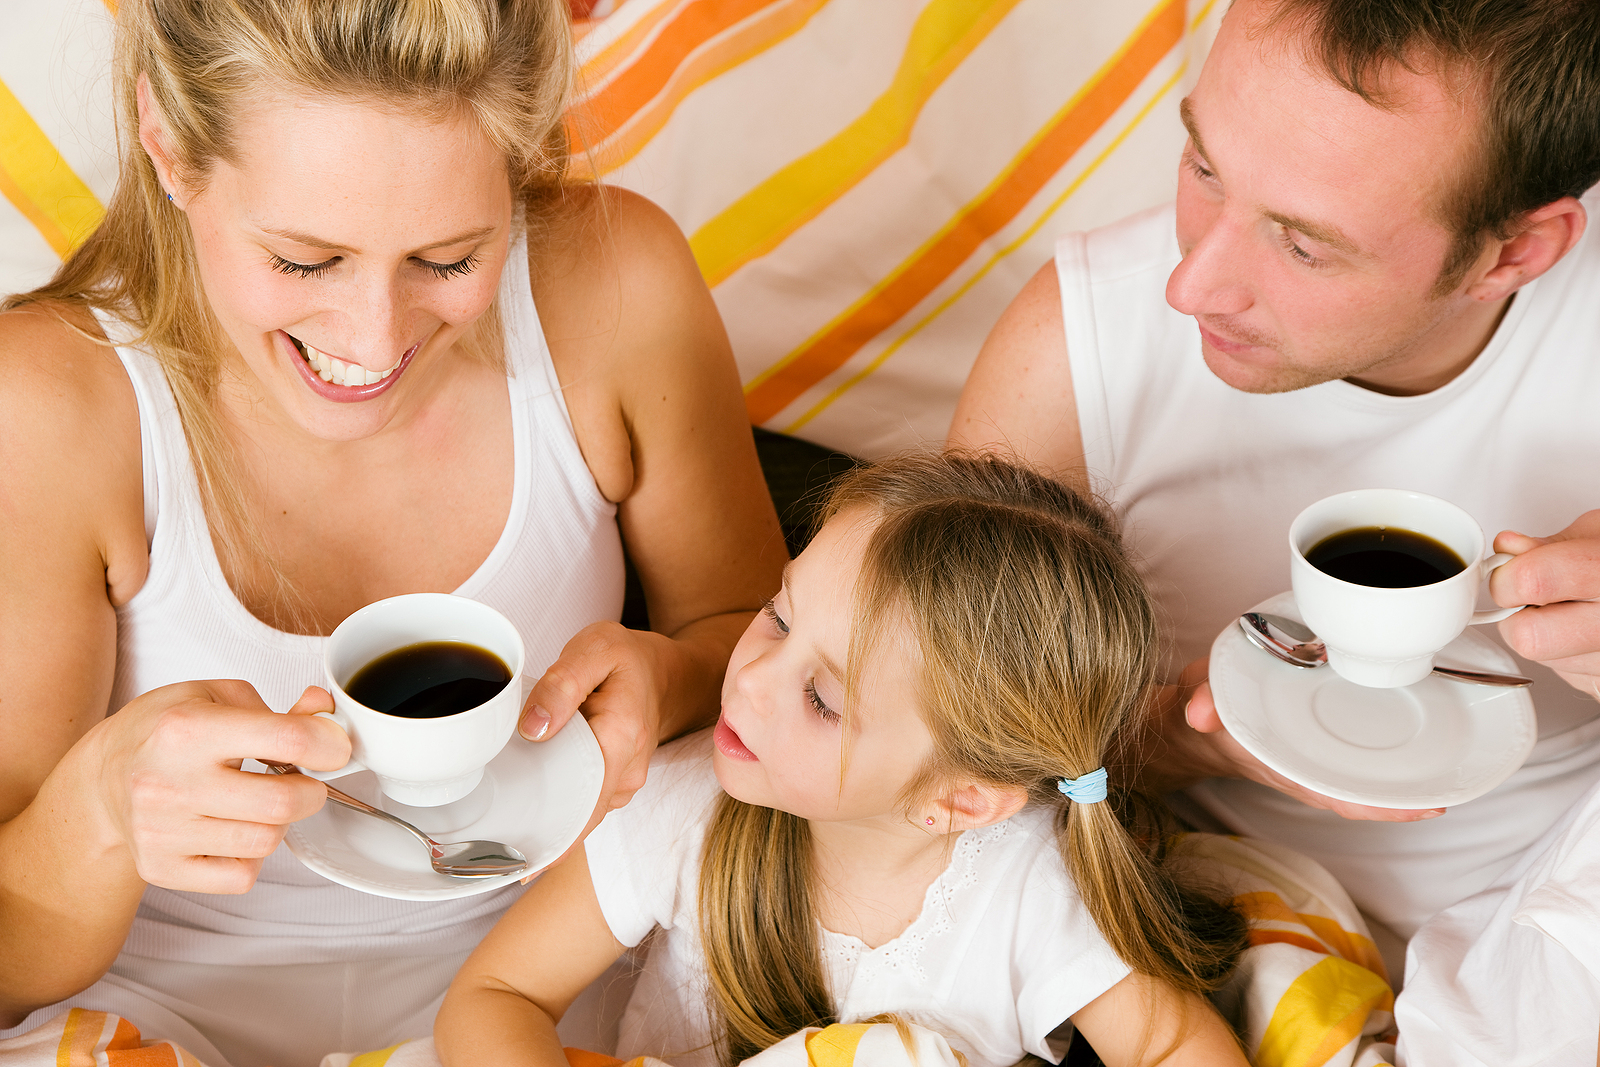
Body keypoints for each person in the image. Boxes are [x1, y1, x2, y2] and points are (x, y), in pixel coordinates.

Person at [0, 1, 786, 1064]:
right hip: (155, 1021)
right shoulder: (49, 405)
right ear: (169, 145)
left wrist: (675, 676)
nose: (373, 338)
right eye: (304, 260)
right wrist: (100, 807)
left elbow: (749, 634)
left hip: (545, 997)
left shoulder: (616, 281)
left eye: (450, 258)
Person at [949, 0, 1600, 950]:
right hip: (1197, 920)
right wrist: (1183, 736)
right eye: (1204, 168)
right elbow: (937, 737)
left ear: (1514, 252)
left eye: (1303, 244)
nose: (1190, 286)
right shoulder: (1077, 350)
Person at [433, 452, 1253, 1067]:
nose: (749, 678)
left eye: (823, 698)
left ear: (962, 798)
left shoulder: (1030, 891)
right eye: (778, 616)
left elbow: (1174, 1047)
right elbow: (494, 997)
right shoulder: (679, 802)